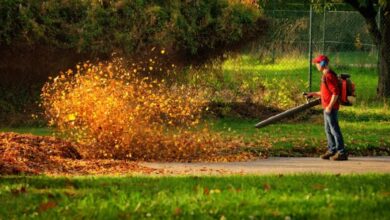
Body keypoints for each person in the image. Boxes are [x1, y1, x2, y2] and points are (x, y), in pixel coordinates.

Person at [307, 55, 348, 161]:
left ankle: (341, 152)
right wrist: (313, 94)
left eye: (317, 63)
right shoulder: (325, 75)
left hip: (331, 108)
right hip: (327, 107)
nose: (316, 66)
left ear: (322, 64)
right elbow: (325, 92)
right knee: (328, 130)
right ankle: (332, 150)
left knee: (334, 129)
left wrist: (329, 106)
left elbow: (336, 93)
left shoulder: (329, 76)